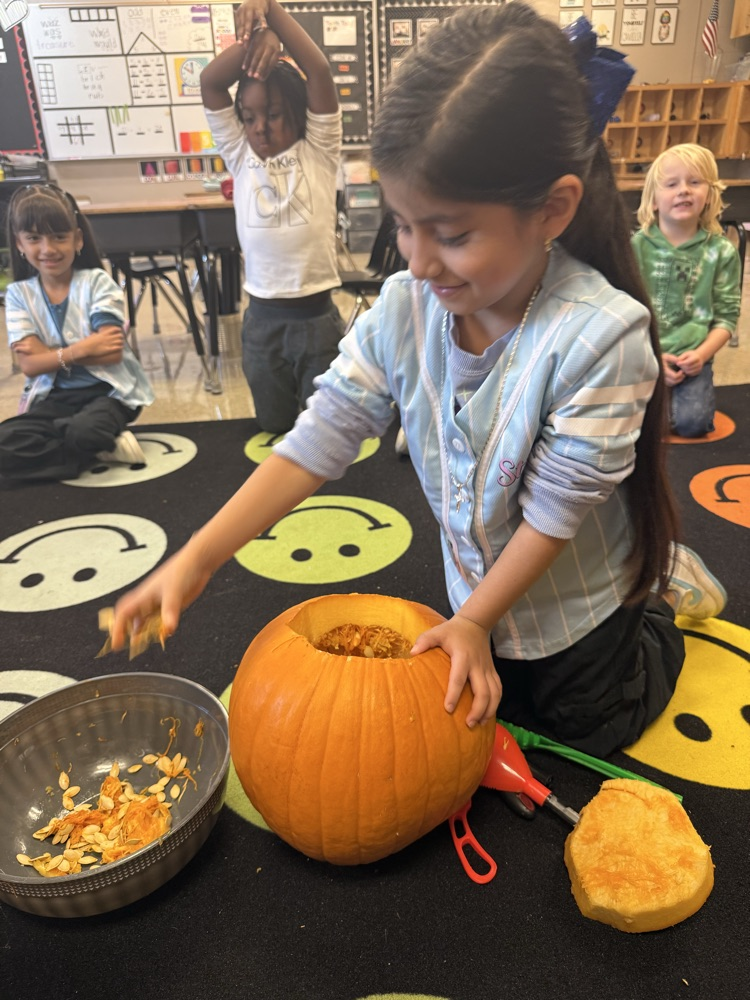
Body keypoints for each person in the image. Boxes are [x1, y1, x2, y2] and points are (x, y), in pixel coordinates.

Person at [111, 6, 727, 757]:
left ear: (553, 210)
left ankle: (657, 599)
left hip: (578, 605)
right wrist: (197, 557)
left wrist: (473, 621)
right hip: (485, 595)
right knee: (474, 715)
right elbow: (317, 440)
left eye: (454, 234)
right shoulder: (406, 305)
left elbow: (554, 514)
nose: (420, 262)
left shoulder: (601, 335)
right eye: (403, 225)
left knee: (585, 727)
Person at [200, 0, 344, 434]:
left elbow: (318, 71)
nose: (260, 127)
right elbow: (210, 81)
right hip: (261, 321)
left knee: (324, 429)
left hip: (317, 320)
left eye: (274, 115)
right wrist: (256, 42)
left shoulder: (318, 149)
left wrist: (273, 17)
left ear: (297, 115)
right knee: (273, 425)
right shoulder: (241, 155)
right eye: (248, 117)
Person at [0, 184, 153, 482]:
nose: (48, 249)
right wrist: (82, 349)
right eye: (34, 238)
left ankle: (74, 444)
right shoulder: (19, 294)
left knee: (87, 430)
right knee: (6, 441)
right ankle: (94, 449)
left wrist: (51, 355)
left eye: (59, 236)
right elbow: (30, 366)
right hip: (55, 398)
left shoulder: (96, 282)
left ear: (77, 239)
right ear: (19, 244)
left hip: (109, 392)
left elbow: (110, 351)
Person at [632, 144, 741, 438]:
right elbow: (623, 313)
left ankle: (668, 404)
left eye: (695, 182)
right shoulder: (635, 248)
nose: (684, 190)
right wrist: (652, 355)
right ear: (653, 200)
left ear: (710, 195)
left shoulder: (722, 252)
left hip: (692, 360)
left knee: (692, 425)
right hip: (642, 354)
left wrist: (701, 355)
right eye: (671, 184)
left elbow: (726, 318)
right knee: (628, 423)